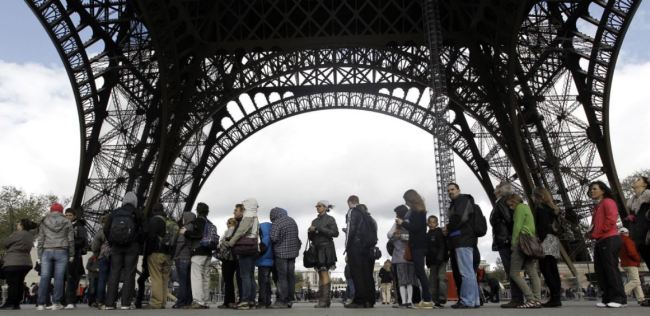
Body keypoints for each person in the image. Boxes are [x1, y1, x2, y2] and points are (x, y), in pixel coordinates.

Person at [103, 192, 144, 310]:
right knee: (129, 274)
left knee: (114, 273)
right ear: (135, 202)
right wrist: (137, 241)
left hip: (116, 247)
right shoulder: (137, 213)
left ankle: (110, 303)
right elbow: (145, 230)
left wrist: (111, 241)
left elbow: (106, 229)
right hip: (132, 247)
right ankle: (125, 303)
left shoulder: (115, 212)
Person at [588, 181, 626, 308]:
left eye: (594, 189)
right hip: (601, 239)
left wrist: (597, 233)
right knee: (601, 270)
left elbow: (611, 219)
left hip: (609, 238)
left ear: (602, 190)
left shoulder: (608, 202)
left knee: (610, 269)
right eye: (591, 189)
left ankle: (618, 298)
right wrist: (591, 233)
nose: (591, 191)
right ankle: (608, 297)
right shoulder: (597, 206)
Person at [396, 189, 434, 309]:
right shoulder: (420, 210)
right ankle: (426, 299)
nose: (406, 203)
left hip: (418, 245)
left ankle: (427, 299)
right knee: (419, 272)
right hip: (419, 244)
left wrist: (402, 223)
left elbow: (415, 228)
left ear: (411, 199)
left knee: (420, 272)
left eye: (406, 200)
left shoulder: (417, 211)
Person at [488, 181, 523, 308]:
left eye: (496, 188)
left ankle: (517, 298)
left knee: (511, 270)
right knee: (512, 270)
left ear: (500, 191)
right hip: (506, 238)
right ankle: (518, 298)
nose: (494, 190)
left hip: (505, 240)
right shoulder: (504, 201)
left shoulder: (502, 202)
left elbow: (509, 220)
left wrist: (508, 237)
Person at [446, 183, 480, 308]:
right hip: (466, 238)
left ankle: (467, 301)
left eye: (452, 189)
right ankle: (474, 300)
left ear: (459, 190)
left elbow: (459, 218)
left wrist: (448, 227)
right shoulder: (463, 201)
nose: (450, 192)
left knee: (466, 272)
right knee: (469, 271)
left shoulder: (461, 200)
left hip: (462, 239)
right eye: (448, 190)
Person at [506, 193, 542, 308]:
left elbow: (517, 226)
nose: (509, 206)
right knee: (532, 271)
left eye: (510, 203)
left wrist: (513, 243)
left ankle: (530, 298)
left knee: (514, 273)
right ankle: (537, 300)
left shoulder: (519, 208)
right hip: (530, 242)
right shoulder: (527, 207)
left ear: (514, 201)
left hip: (521, 242)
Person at [37, 202, 74, 311]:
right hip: (62, 250)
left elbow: (40, 239)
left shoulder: (44, 221)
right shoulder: (67, 221)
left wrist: (39, 255)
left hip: (47, 250)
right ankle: (56, 303)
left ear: (51, 210)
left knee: (44, 277)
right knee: (59, 277)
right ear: (62, 211)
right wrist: (72, 254)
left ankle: (40, 304)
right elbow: (71, 239)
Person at [530, 187, 563, 307]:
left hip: (545, 240)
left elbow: (542, 226)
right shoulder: (552, 208)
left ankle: (555, 298)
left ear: (537, 196)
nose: (531, 198)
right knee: (553, 269)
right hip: (553, 239)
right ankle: (556, 297)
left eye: (533, 196)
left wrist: (539, 240)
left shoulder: (540, 208)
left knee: (545, 269)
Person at [226, 199, 260, 310]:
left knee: (245, 275)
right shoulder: (255, 217)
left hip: (245, 248)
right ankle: (251, 300)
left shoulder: (248, 217)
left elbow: (240, 231)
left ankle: (245, 300)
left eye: (244, 206)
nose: (243, 207)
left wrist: (230, 243)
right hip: (253, 247)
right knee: (250, 275)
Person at [345, 196, 377, 309]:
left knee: (357, 274)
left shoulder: (353, 212)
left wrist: (346, 247)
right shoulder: (369, 217)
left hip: (355, 247)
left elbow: (350, 230)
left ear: (350, 202)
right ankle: (369, 300)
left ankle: (359, 300)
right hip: (368, 248)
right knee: (367, 274)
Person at [1, 219, 37, 310]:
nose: (17, 225)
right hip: (26, 262)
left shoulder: (17, 234)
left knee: (12, 283)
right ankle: (16, 303)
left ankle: (10, 303)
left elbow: (5, 243)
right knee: (19, 282)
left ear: (22, 225)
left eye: (18, 224)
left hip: (13, 262)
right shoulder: (30, 235)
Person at [308, 200, 339, 308]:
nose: (317, 207)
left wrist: (318, 228)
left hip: (326, 248)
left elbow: (335, 233)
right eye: (316, 206)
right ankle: (324, 299)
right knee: (321, 274)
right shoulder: (314, 220)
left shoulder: (330, 219)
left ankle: (325, 300)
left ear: (325, 207)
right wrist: (310, 232)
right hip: (317, 248)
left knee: (324, 272)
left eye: (320, 206)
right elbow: (311, 238)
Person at [269, 207, 301, 308]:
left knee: (282, 277)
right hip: (293, 254)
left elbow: (273, 238)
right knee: (290, 277)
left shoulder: (277, 223)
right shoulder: (292, 221)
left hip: (281, 254)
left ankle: (282, 300)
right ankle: (290, 299)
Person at [182, 202, 212, 309]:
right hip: (208, 252)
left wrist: (186, 232)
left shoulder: (198, 221)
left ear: (197, 211)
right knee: (205, 277)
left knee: (196, 277)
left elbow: (198, 234)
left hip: (198, 251)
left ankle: (198, 301)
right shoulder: (209, 222)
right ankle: (205, 301)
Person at [388, 204, 416, 309]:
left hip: (401, 255)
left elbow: (389, 235)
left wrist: (399, 236)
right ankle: (407, 301)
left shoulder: (402, 224)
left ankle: (405, 301)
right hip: (408, 255)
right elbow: (389, 235)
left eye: (397, 213)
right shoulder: (401, 224)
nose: (396, 216)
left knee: (403, 280)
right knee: (407, 280)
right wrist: (395, 236)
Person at [145, 203, 172, 309]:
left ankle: (156, 302)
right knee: (164, 279)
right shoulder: (170, 222)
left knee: (156, 277)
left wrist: (148, 252)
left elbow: (150, 238)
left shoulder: (154, 221)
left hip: (156, 252)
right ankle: (163, 302)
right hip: (168, 254)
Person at [63, 208, 87, 309]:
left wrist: (68, 244)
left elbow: (81, 240)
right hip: (68, 254)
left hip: (74, 255)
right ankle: (67, 300)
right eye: (66, 215)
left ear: (74, 216)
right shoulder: (73, 226)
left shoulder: (78, 227)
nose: (68, 217)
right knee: (68, 278)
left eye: (70, 215)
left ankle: (70, 300)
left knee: (71, 278)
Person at [619, 227, 647, 306]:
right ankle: (620, 294)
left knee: (635, 281)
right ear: (624, 233)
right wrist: (638, 259)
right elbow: (632, 252)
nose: (628, 234)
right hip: (631, 263)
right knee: (636, 281)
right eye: (627, 232)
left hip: (624, 264)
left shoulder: (619, 241)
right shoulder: (627, 240)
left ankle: (641, 299)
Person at [173, 211, 196, 309]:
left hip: (182, 257)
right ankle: (188, 301)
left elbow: (180, 243)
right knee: (188, 281)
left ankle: (181, 302)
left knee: (182, 281)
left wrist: (175, 255)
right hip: (189, 257)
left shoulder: (185, 228)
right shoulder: (193, 227)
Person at [626, 176, 650, 265]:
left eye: (638, 179)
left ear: (645, 184)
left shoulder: (648, 194)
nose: (635, 180)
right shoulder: (631, 202)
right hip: (640, 239)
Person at [426, 215, 448, 308]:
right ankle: (435, 301)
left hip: (441, 260)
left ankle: (442, 297)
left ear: (437, 223)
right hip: (432, 261)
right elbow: (427, 250)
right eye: (430, 222)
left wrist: (440, 257)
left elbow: (442, 246)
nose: (432, 224)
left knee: (441, 278)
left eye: (433, 222)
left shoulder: (439, 233)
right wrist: (427, 261)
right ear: (428, 223)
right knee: (432, 281)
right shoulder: (427, 235)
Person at [90, 214, 111, 309]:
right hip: (116, 256)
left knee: (102, 279)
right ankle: (111, 301)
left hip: (104, 256)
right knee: (113, 280)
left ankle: (100, 301)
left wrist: (96, 253)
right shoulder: (115, 229)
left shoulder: (101, 231)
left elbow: (94, 246)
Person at [217, 215, 238, 309]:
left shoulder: (229, 231)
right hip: (234, 258)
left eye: (228, 223)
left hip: (227, 259)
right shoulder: (236, 231)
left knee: (228, 281)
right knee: (231, 281)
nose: (227, 225)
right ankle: (231, 301)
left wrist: (221, 244)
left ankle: (228, 301)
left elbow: (224, 244)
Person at [256, 221, 273, 308]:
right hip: (270, 262)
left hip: (263, 262)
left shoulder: (265, 239)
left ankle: (262, 301)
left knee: (262, 282)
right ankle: (268, 300)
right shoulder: (271, 237)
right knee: (267, 282)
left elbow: (261, 250)